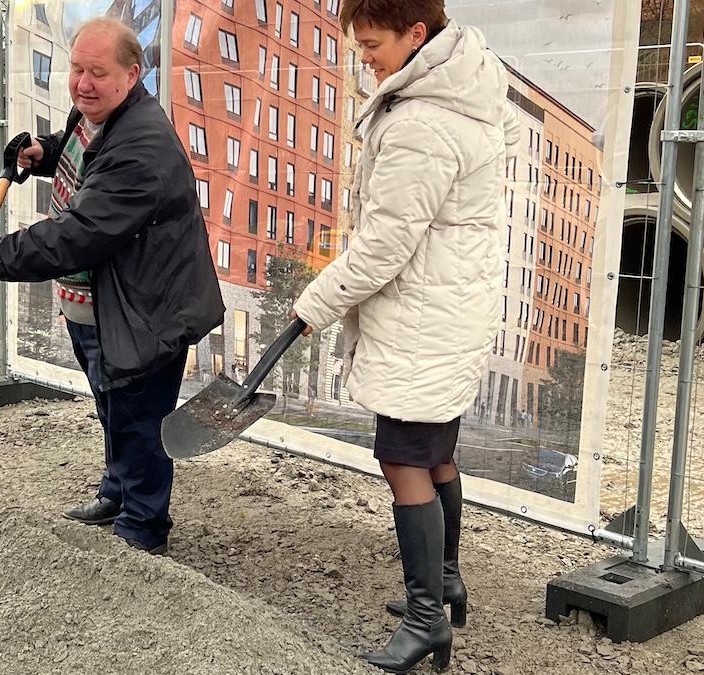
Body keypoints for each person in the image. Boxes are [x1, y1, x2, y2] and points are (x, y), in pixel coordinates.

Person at [289, 0, 519, 671]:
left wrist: (313, 305)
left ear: (417, 34)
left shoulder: (423, 122)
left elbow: (383, 245)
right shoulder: (459, 93)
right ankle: (445, 583)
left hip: (421, 321)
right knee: (436, 453)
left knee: (403, 461)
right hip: (446, 310)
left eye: (372, 44)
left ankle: (426, 621)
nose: (364, 58)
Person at [0, 17, 224, 555]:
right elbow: (84, 154)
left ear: (132, 74)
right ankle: (117, 493)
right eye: (76, 69)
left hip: (143, 312)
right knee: (112, 409)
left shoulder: (143, 146)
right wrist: (45, 151)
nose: (82, 84)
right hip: (100, 308)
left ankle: (142, 529)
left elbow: (80, 233)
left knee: (139, 421)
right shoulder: (100, 115)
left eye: (97, 72)